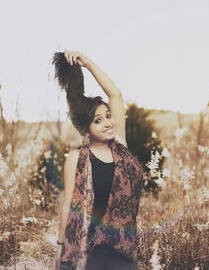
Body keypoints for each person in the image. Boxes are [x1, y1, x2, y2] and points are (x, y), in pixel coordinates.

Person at [52, 50, 143, 270]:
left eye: (108, 116)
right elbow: (68, 205)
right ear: (86, 129)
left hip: (122, 246)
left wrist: (88, 63)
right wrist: (60, 247)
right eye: (98, 120)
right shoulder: (77, 158)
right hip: (87, 247)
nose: (108, 123)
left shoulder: (120, 145)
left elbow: (115, 95)